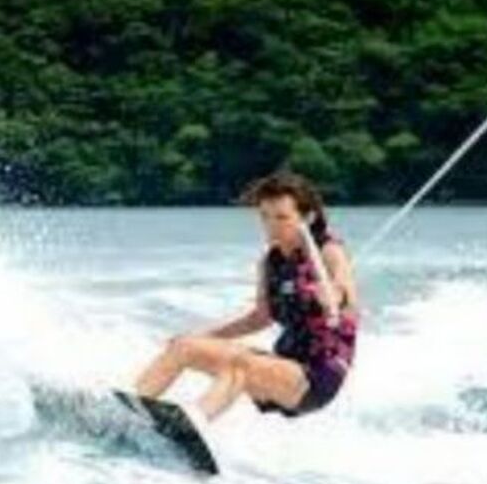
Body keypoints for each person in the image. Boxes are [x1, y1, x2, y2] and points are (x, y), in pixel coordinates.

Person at [133, 170, 359, 431]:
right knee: (183, 347)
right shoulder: (270, 262)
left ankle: (189, 427)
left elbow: (347, 295)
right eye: (265, 216)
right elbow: (259, 318)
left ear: (306, 218)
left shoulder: (328, 250)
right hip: (280, 364)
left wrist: (334, 295)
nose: (271, 225)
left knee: (241, 364)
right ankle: (129, 413)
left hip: (315, 378)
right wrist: (200, 336)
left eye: (282, 217)